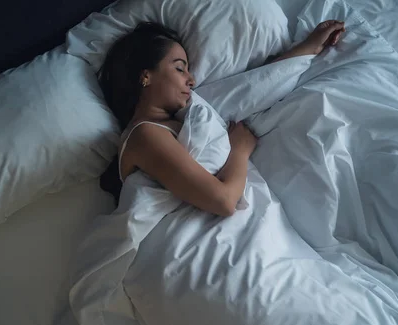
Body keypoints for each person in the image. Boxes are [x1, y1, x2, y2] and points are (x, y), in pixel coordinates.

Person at [99, 21, 345, 214]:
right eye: (179, 68)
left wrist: (310, 47)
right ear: (146, 77)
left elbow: (247, 90)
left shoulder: (185, 116)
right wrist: (240, 151)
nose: (191, 79)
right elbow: (224, 202)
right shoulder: (144, 134)